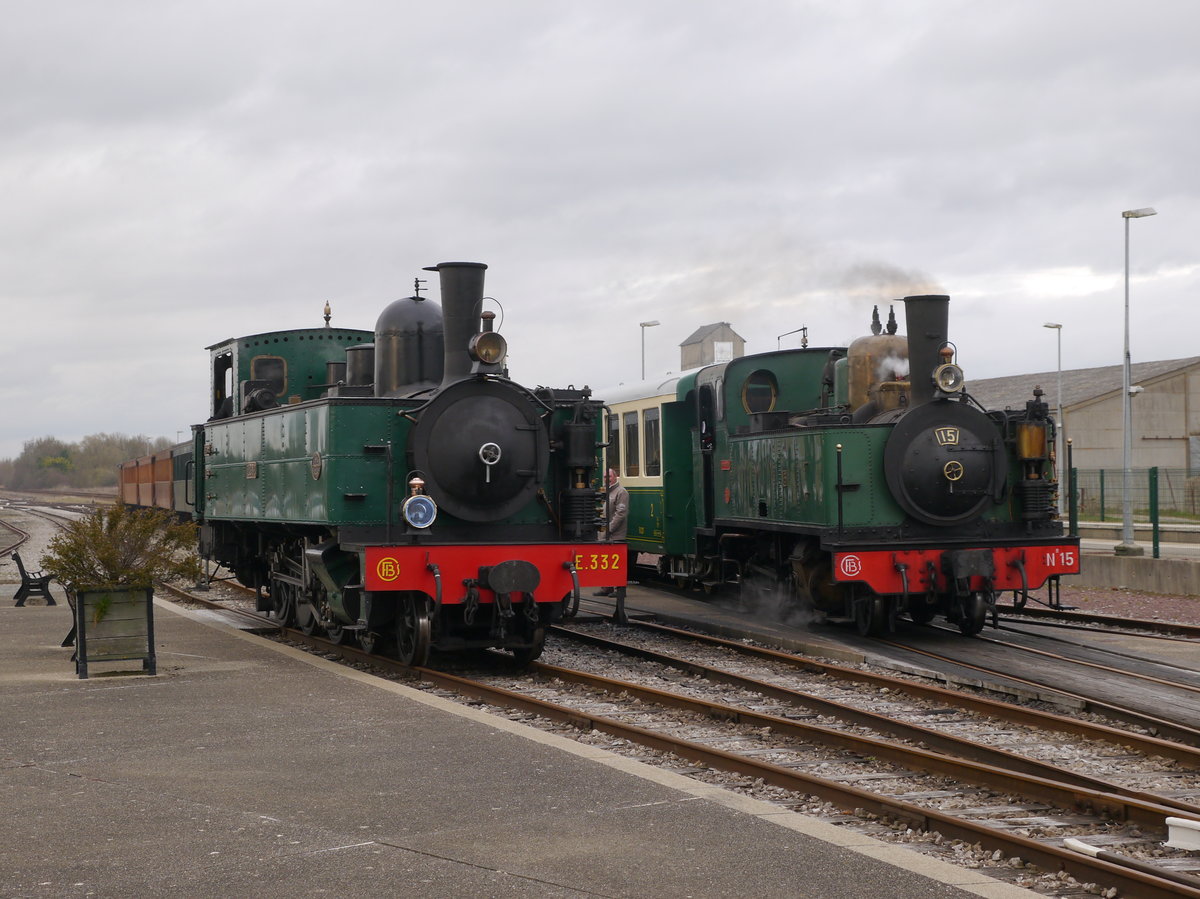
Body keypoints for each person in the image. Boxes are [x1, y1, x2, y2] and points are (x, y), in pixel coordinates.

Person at [594, 468, 630, 622]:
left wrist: (609, 529)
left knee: (617, 561)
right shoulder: (606, 492)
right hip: (605, 533)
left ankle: (619, 588)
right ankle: (606, 587)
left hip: (615, 534)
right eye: (604, 476)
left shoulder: (621, 492)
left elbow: (621, 513)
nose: (606, 479)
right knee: (605, 560)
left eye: (609, 476)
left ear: (615, 477)